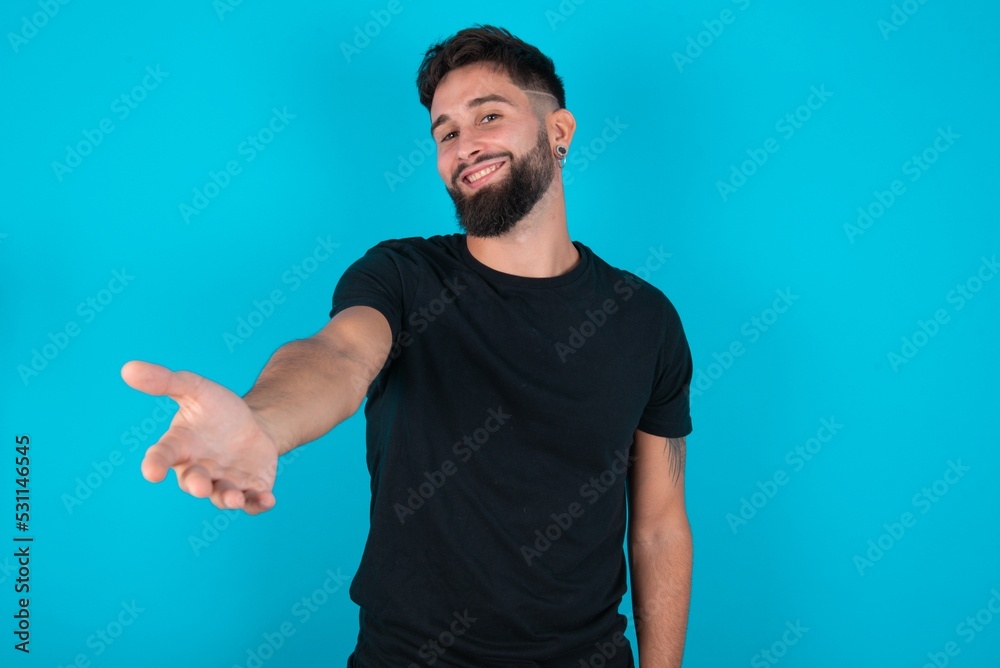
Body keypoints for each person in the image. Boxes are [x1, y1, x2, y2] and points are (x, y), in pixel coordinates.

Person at [121, 25, 693, 668]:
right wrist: (262, 420)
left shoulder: (645, 320)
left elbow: (659, 525)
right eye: (446, 133)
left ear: (559, 132)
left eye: (489, 116)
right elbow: (338, 355)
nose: (466, 146)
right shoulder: (401, 277)